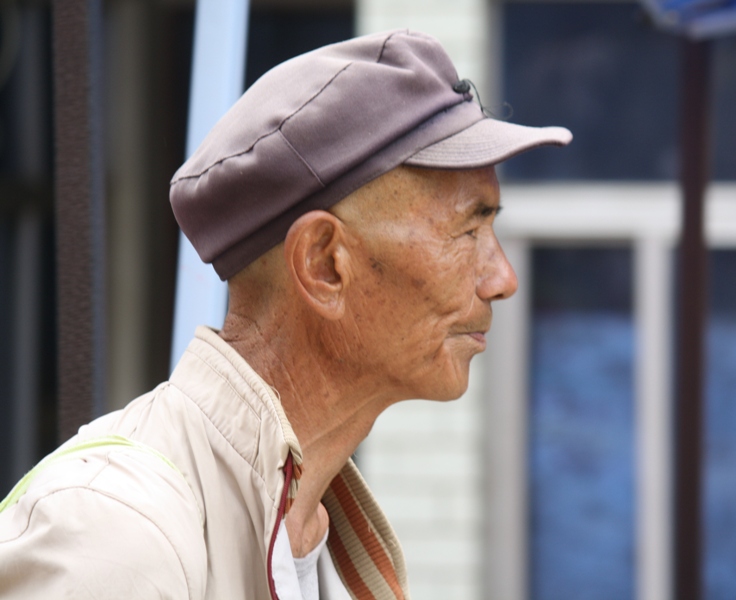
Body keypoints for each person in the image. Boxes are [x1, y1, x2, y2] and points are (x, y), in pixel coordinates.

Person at [0, 30, 570, 599]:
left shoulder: (312, 538)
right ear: (324, 264)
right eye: (466, 230)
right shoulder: (118, 532)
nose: (503, 279)